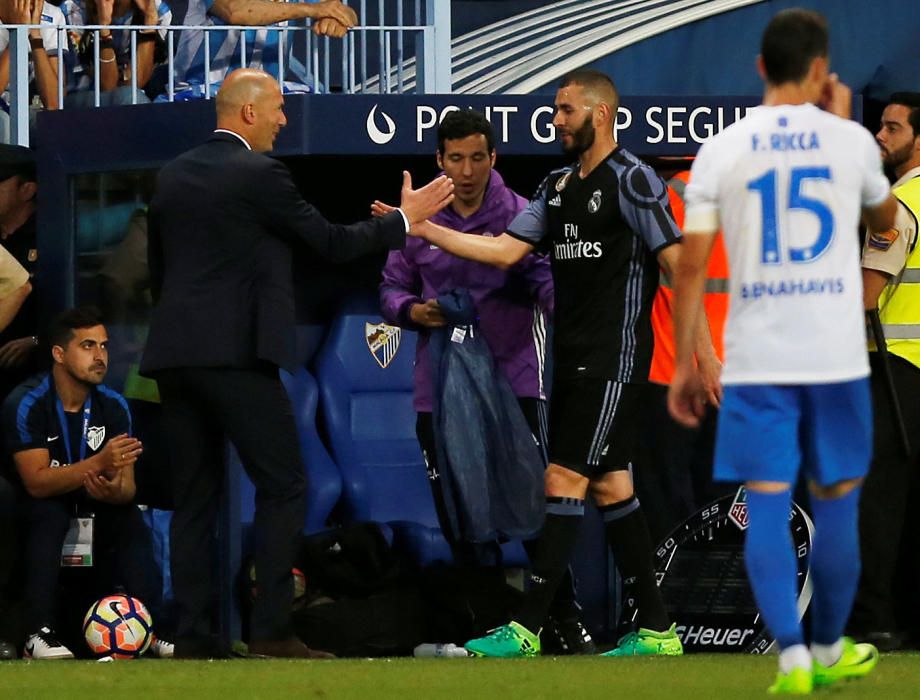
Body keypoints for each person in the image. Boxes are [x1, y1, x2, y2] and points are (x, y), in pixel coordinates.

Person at [384, 69, 721, 658]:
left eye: (566, 110)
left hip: (615, 361)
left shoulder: (635, 181)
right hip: (569, 361)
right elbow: (503, 251)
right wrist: (423, 227)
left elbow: (680, 265)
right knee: (613, 489)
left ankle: (527, 628)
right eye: (556, 110)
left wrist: (703, 356)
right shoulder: (558, 186)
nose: (556, 120)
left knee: (560, 480)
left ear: (602, 114)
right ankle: (660, 631)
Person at [140, 68, 453, 659]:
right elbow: (332, 243)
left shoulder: (173, 174)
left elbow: (161, 270)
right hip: (235, 357)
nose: (286, 119)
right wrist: (405, 222)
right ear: (249, 113)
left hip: (175, 358)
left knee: (194, 498)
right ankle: (273, 631)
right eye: (280, 108)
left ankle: (194, 637)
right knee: (285, 485)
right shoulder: (260, 174)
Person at [668, 9, 898, 694]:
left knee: (766, 506)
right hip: (833, 360)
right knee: (836, 507)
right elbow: (886, 221)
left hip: (756, 360)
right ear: (822, 70)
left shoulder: (723, 148)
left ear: (761, 68)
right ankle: (828, 647)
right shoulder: (851, 141)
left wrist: (685, 360)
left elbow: (689, 263)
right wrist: (848, 125)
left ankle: (794, 662)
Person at [378, 108, 592, 654]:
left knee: (535, 507)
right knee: (460, 512)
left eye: (477, 157)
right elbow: (391, 290)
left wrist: (579, 329)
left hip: (514, 383)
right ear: (439, 160)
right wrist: (412, 312)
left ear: (493, 158)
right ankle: (490, 627)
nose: (467, 169)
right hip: (440, 391)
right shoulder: (419, 216)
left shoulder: (521, 215)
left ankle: (564, 623)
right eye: (456, 158)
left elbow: (550, 286)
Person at [2, 307, 167, 659]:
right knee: (48, 513)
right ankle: (37, 633)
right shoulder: (27, 403)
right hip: (36, 507)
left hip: (92, 502)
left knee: (128, 515)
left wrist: (115, 491)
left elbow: (127, 486)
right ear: (59, 354)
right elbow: (36, 483)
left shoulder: (114, 406)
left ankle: (153, 628)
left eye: (104, 347)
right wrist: (97, 463)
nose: (100, 357)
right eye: (88, 346)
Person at [849, 91, 920, 650]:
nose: (880, 136)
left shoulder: (900, 205)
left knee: (879, 499)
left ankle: (874, 617)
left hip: (893, 367)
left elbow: (866, 296)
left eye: (893, 128)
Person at [634, 169, 731, 544]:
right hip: (736, 373)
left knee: (667, 515)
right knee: (727, 511)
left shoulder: (678, 190)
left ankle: (669, 599)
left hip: (674, 372)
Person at [171, 0, 355, 97]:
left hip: (267, 93)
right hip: (203, 91)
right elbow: (235, 11)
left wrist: (333, 18)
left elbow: (344, 12)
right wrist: (313, 9)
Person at [61, 0, 172, 107]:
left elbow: (136, 82)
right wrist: (104, 29)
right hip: (82, 94)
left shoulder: (159, 12)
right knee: (130, 98)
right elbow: (107, 86)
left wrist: (150, 20)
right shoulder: (73, 11)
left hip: (135, 97)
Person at [0, 145, 44, 400]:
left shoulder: (53, 233)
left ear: (27, 189)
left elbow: (78, 312)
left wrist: (37, 341)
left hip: (36, 383)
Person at [0, 0, 66, 142]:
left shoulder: (53, 15)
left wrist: (35, 34)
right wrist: (17, 33)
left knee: (56, 125)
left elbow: (54, 102)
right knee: (3, 123)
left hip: (30, 109)